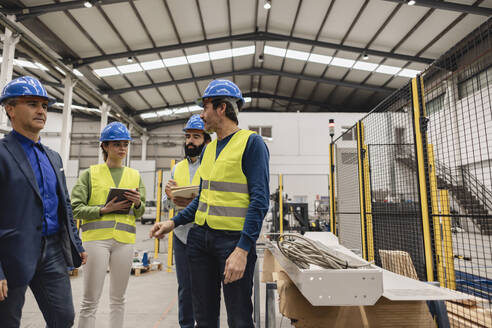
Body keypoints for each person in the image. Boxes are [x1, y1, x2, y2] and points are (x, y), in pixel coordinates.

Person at [151, 80, 270, 328]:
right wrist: (172, 222)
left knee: (238, 318)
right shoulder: (209, 149)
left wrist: (242, 250)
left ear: (222, 108)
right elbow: (202, 200)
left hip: (232, 242)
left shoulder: (251, 144)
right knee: (203, 318)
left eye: (205, 108)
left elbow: (259, 201)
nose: (201, 115)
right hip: (200, 241)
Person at [0, 76, 86, 327]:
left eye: (45, 106)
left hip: (52, 252)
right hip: (11, 253)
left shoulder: (54, 157)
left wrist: (75, 242)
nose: (41, 111)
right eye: (33, 104)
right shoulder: (2, 154)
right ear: (10, 109)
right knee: (7, 321)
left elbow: (65, 204)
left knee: (63, 317)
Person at [71, 121, 146, 328]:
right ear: (105, 146)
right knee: (90, 300)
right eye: (116, 144)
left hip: (125, 242)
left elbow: (140, 210)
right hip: (96, 241)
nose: (122, 149)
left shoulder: (134, 175)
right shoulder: (89, 174)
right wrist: (102, 210)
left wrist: (138, 202)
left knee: (118, 299)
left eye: (125, 144)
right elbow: (75, 207)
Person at [164, 114, 211, 328]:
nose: (190, 141)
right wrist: (169, 197)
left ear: (206, 140)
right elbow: (168, 205)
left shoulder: (211, 166)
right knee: (184, 287)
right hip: (181, 235)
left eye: (196, 137)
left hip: (204, 234)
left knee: (204, 288)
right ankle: (185, 325)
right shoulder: (177, 168)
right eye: (188, 137)